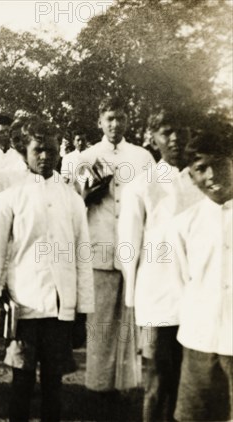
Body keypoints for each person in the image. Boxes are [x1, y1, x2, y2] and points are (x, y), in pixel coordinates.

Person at [0, 122, 94, 422]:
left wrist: (82, 310)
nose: (45, 156)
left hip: (60, 309)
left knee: (54, 385)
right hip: (24, 307)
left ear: (60, 152)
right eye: (37, 149)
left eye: (51, 150)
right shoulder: (10, 198)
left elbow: (83, 257)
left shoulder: (72, 199)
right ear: (24, 152)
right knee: (22, 383)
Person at [118, 109, 203, 422]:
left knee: (189, 383)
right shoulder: (141, 186)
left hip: (197, 297)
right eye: (167, 131)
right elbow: (128, 247)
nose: (175, 138)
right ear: (152, 138)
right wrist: (133, 299)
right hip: (157, 298)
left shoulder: (202, 181)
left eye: (181, 129)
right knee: (158, 379)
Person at [75, 97, 155, 395]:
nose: (114, 124)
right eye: (109, 118)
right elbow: (76, 204)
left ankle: (125, 384)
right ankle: (97, 385)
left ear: (127, 121)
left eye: (120, 118)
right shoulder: (87, 156)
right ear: (100, 121)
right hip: (100, 246)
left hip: (133, 249)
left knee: (129, 320)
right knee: (101, 323)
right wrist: (88, 192)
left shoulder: (143, 157)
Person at [169, 129, 232, 422]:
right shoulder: (185, 224)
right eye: (200, 169)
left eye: (218, 163)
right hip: (199, 341)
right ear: (191, 177)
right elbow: (183, 282)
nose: (211, 175)